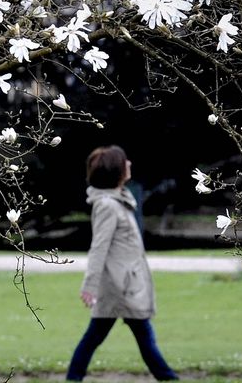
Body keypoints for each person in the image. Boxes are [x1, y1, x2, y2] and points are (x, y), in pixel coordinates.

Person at [66, 145, 179, 382]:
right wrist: (89, 285)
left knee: (99, 337)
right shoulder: (107, 205)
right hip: (120, 287)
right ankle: (169, 378)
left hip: (125, 284)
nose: (129, 164)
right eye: (124, 161)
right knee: (140, 337)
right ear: (116, 170)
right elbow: (99, 247)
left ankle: (73, 378)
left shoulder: (118, 200)